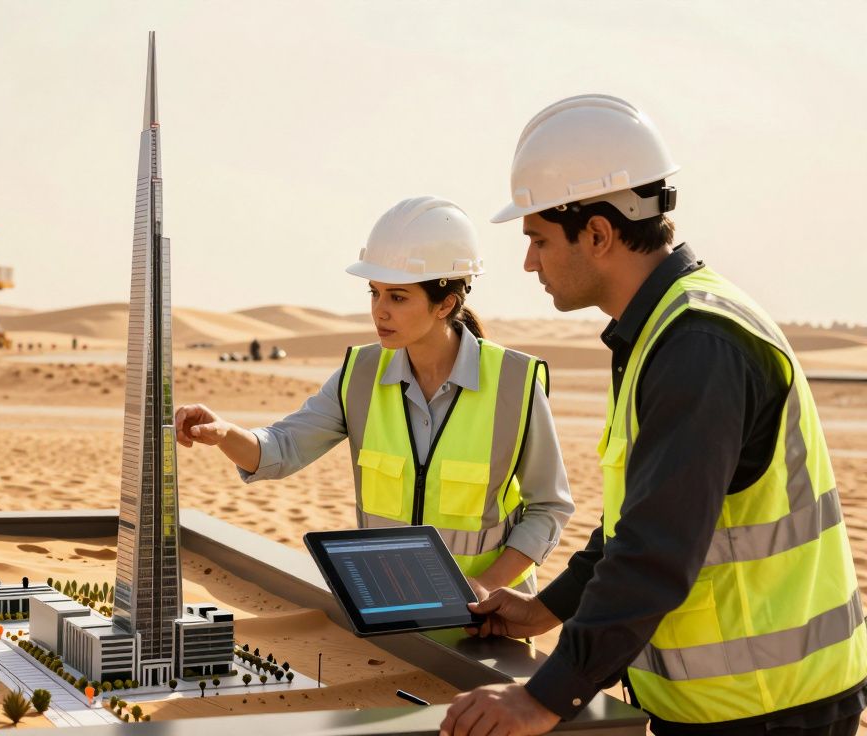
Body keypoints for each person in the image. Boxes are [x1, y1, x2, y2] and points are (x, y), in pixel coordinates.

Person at [442, 95, 867, 736]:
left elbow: (655, 552)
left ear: (598, 234)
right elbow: (637, 520)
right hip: (732, 705)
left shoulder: (698, 344)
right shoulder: (663, 331)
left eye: (538, 239)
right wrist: (547, 608)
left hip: (767, 710)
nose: (529, 262)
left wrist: (544, 698)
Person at [176, 197, 574, 594]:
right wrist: (224, 432)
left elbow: (548, 507)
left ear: (445, 304)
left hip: (489, 620)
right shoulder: (360, 375)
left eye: (397, 297)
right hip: (389, 608)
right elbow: (280, 450)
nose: (379, 311)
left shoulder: (514, 383)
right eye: (374, 293)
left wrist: (486, 586)